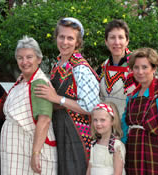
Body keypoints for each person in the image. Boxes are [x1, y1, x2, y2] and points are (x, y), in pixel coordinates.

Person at [34, 17, 100, 175]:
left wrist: (58, 99)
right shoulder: (58, 65)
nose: (65, 42)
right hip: (59, 128)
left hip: (76, 134)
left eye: (70, 38)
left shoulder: (80, 68)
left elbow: (91, 107)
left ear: (77, 42)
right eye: (61, 36)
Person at [0, 36, 57, 175]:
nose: (24, 62)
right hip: (16, 150)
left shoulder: (38, 83)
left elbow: (44, 120)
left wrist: (35, 153)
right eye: (20, 58)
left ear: (39, 59)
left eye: (29, 57)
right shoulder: (21, 81)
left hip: (30, 150)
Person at [96, 19, 158, 117]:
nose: (117, 42)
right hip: (107, 125)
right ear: (106, 41)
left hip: (133, 124)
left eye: (121, 37)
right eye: (112, 37)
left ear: (127, 41)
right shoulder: (103, 67)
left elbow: (155, 89)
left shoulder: (138, 64)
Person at [121, 48, 158, 174]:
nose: (140, 72)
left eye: (145, 67)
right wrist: (121, 152)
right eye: (136, 67)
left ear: (154, 68)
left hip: (154, 152)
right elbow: (125, 127)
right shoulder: (131, 96)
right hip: (132, 153)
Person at [86, 102, 126, 175]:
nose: (98, 124)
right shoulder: (94, 144)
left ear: (112, 121)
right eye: (95, 120)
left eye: (102, 120)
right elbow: (89, 169)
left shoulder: (116, 146)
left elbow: (118, 172)